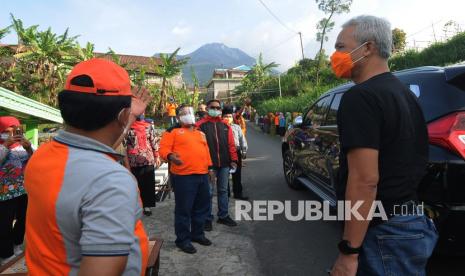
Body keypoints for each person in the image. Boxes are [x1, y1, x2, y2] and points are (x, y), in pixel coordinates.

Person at [329, 16, 437, 276]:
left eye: (341, 47)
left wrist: (349, 252)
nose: (335, 55)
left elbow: (365, 180)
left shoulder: (360, 97)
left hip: (384, 231)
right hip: (411, 222)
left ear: (367, 48)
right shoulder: (405, 95)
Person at [24, 58, 151, 275]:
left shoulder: (43, 155)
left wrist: (128, 117)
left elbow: (97, 143)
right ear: (121, 114)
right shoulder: (110, 182)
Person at [159, 105, 214, 254]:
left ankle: (197, 234)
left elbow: (206, 151)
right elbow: (163, 149)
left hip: (202, 175)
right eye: (184, 113)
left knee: (201, 207)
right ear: (178, 117)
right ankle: (182, 240)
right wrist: (170, 156)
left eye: (190, 112)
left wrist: (210, 168)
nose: (188, 114)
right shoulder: (172, 132)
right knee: (184, 210)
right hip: (183, 176)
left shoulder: (200, 133)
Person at [196, 99, 238, 231]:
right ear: (207, 109)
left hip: (225, 163)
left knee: (223, 190)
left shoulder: (226, 125)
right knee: (207, 192)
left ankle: (223, 216)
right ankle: (207, 218)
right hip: (209, 165)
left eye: (218, 108)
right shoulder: (200, 126)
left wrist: (234, 159)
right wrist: (204, 164)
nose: (215, 109)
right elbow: (198, 148)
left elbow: (231, 144)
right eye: (212, 107)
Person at [0, 116, 33, 265]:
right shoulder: (3, 146)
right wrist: (5, 145)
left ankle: (17, 244)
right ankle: (5, 254)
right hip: (3, 194)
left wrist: (29, 148)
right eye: (7, 131)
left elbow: (35, 162)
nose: (12, 134)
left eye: (15, 131)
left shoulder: (22, 146)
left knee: (22, 220)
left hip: (22, 191)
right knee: (4, 224)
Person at [125, 114, 161, 216]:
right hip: (134, 161)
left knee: (148, 183)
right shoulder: (127, 127)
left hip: (148, 159)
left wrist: (157, 156)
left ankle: (147, 206)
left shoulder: (148, 126)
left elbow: (153, 141)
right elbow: (124, 145)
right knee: (137, 183)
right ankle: (137, 205)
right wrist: (126, 163)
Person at [222, 106, 248, 200]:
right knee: (225, 175)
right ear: (222, 117)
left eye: (229, 116)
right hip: (224, 153)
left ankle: (238, 194)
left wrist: (244, 151)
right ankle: (226, 195)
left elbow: (242, 140)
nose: (228, 118)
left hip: (236, 152)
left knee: (237, 174)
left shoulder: (236, 127)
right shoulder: (219, 127)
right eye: (225, 116)